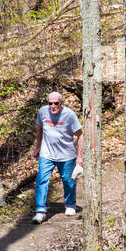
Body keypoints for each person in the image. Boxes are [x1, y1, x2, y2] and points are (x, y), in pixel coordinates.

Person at [33, 91, 82, 223]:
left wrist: (80, 157)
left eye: (56, 103)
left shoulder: (69, 115)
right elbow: (40, 129)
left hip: (66, 155)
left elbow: (80, 134)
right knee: (42, 180)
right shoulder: (42, 112)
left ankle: (70, 205)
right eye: (50, 103)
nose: (53, 106)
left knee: (68, 180)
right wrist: (38, 146)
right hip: (47, 154)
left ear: (61, 103)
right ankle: (40, 210)